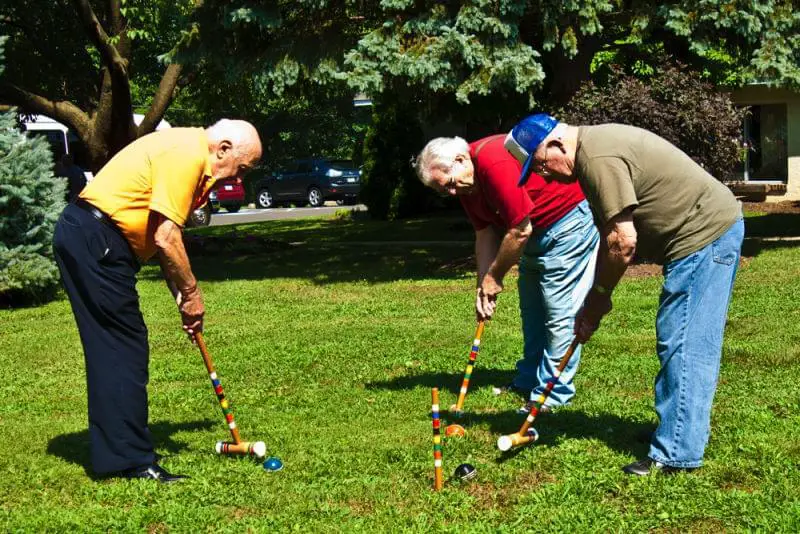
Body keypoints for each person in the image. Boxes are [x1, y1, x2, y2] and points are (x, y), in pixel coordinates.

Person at [505, 114, 743, 476]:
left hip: (704, 236)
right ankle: (679, 432)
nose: (544, 176)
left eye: (539, 166)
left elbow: (622, 241)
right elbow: (608, 235)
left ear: (555, 145)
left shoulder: (596, 158)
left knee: (685, 342)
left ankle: (676, 452)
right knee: (681, 338)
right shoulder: (591, 153)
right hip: (705, 234)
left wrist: (598, 299)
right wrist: (594, 300)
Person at [53, 119, 262, 482]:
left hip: (90, 238)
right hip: (96, 239)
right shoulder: (187, 154)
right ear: (224, 148)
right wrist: (193, 295)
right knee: (122, 349)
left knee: (115, 349)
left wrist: (181, 299)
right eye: (241, 168)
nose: (238, 179)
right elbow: (167, 236)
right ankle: (128, 461)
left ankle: (118, 455)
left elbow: (156, 234)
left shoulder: (185, 148)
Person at [414, 135, 598, 414]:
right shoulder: (467, 186)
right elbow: (484, 234)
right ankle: (528, 381)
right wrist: (483, 289)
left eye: (450, 184)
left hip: (567, 221)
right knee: (533, 309)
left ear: (461, 160)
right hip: (533, 231)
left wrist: (495, 276)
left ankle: (552, 395)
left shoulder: (492, 162)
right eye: (443, 191)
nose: (451, 193)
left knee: (559, 312)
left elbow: (519, 230)